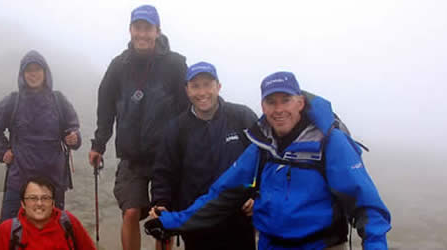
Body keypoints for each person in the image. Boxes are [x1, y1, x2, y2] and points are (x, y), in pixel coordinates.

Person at [147, 71, 392, 249]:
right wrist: (171, 221)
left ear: (300, 102)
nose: (278, 109)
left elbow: (366, 206)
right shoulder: (261, 147)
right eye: (271, 102)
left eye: (285, 100)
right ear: (263, 106)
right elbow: (221, 195)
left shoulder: (330, 142)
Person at [88, 4, 188, 249]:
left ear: (157, 31)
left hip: (166, 155)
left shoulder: (175, 64)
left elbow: (187, 108)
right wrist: (99, 144)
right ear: (130, 29)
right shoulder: (118, 65)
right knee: (130, 212)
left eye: (148, 28)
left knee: (161, 216)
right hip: (132, 156)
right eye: (137, 28)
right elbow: (106, 106)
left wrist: (187, 147)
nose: (142, 34)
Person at [149, 62, 257, 249]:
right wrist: (161, 202)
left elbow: (264, 160)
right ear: (187, 90)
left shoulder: (242, 116)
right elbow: (164, 171)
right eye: (195, 86)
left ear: (218, 86)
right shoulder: (176, 128)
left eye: (207, 84)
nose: (202, 92)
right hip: (196, 220)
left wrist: (258, 195)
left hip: (239, 218)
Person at [0, 50, 81, 222]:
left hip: (53, 180)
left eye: (37, 69)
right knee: (10, 230)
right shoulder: (13, 101)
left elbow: (73, 130)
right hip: (19, 179)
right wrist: (3, 151)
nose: (33, 74)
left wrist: (74, 138)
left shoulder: (58, 100)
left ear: (45, 73)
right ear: (22, 74)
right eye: (29, 70)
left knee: (51, 232)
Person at [0, 177, 96, 250]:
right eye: (33, 198)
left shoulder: (68, 223)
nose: (39, 203)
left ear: (53, 203)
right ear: (23, 203)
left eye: (45, 198)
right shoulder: (8, 230)